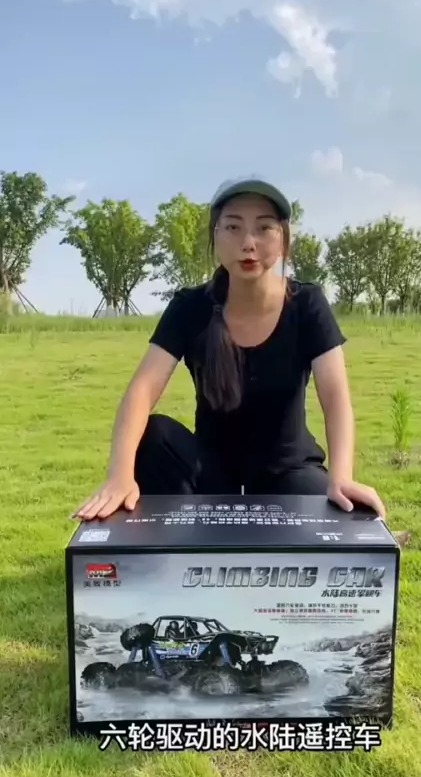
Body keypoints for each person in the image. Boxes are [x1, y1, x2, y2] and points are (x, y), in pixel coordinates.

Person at [73, 176, 386, 522]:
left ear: (283, 239)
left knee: (337, 516)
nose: (248, 243)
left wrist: (342, 476)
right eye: (233, 227)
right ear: (216, 236)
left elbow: (336, 397)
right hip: (209, 475)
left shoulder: (307, 304)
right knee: (155, 433)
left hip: (289, 472)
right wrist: (119, 475)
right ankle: (162, 543)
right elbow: (142, 390)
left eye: (264, 228)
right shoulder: (190, 307)